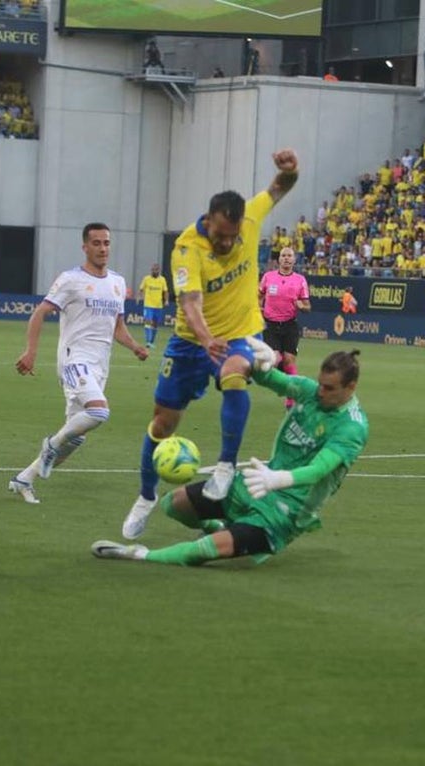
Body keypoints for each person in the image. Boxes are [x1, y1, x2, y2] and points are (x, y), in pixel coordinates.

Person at [121, 149, 300, 540]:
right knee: (162, 424)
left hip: (237, 335)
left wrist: (290, 171)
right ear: (209, 219)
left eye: (231, 237)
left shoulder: (249, 219)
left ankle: (225, 465)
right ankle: (146, 496)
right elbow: (190, 301)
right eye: (220, 235)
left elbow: (279, 187)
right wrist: (205, 338)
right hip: (189, 343)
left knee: (235, 375)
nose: (225, 242)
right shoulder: (187, 247)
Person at [93, 348, 368, 566]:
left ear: (351, 387)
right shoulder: (309, 392)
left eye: (329, 388)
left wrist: (278, 479)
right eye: (321, 384)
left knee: (204, 551)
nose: (321, 392)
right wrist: (262, 361)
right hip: (255, 484)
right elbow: (272, 379)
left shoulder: (351, 428)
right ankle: (218, 527)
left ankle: (140, 555)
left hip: (286, 511)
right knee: (173, 504)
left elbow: (320, 469)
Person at [8, 223, 149, 504]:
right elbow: (40, 312)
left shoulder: (118, 283)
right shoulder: (70, 279)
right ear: (85, 247)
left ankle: (24, 478)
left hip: (100, 366)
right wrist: (31, 351)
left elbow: (117, 326)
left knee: (74, 439)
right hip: (74, 360)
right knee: (99, 413)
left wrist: (134, 347)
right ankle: (49, 445)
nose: (102, 248)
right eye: (96, 243)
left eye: (106, 243)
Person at [259, 246, 311, 409]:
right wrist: (258, 310)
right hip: (271, 325)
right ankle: (286, 385)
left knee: (289, 360)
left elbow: (308, 306)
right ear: (279, 260)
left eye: (290, 255)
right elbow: (259, 297)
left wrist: (301, 305)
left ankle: (291, 398)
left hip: (290, 325)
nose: (287, 258)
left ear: (294, 260)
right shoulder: (268, 277)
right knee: (276, 359)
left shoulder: (300, 280)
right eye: (284, 256)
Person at [138, 263, 169, 349]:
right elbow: (141, 289)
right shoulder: (146, 279)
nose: (154, 271)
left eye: (156, 270)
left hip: (158, 306)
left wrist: (166, 300)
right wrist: (139, 297)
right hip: (148, 305)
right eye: (153, 270)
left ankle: (151, 342)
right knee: (148, 323)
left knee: (155, 324)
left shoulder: (162, 280)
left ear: (159, 271)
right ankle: (148, 341)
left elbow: (165, 291)